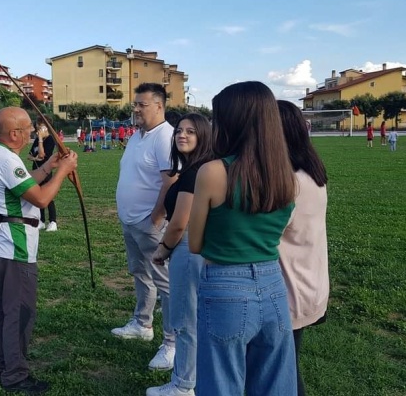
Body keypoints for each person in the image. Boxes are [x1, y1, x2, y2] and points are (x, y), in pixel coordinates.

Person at [188, 81, 297, 396]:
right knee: (275, 384)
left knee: (221, 383)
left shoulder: (213, 172)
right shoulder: (286, 176)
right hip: (274, 285)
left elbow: (195, 244)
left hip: (224, 284)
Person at [0, 107, 78, 394]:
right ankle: (15, 375)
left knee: (0, 310)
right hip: (14, 247)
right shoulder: (7, 160)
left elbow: (24, 183)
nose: (31, 134)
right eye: (27, 130)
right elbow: (42, 198)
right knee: (19, 312)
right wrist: (62, 171)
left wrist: (48, 167)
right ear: (14, 133)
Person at [146, 113, 214, 396]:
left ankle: (183, 385)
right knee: (196, 317)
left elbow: (179, 223)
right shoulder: (198, 169)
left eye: (190, 132)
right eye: (179, 131)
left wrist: (163, 249)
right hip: (200, 248)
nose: (182, 135)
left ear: (203, 137)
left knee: (185, 319)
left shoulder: (193, 173)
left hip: (187, 248)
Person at [113, 82, 177, 371]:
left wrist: (156, 217)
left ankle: (172, 343)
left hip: (149, 223)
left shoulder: (165, 137)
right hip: (131, 220)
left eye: (141, 104)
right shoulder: (138, 136)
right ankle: (142, 323)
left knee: (165, 283)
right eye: (135, 104)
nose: (135, 109)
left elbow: (171, 181)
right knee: (140, 273)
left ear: (159, 106)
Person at [277, 100, 330, 396]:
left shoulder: (289, 183)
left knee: (283, 372)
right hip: (309, 283)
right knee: (286, 365)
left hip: (290, 290)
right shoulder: (312, 173)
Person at [28, 123, 58, 232]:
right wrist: (36, 159)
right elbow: (29, 156)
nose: (38, 130)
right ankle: (41, 221)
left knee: (47, 196)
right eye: (38, 127)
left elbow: (42, 155)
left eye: (41, 127)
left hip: (45, 171)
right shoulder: (36, 140)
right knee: (37, 194)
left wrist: (40, 139)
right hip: (36, 171)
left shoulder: (49, 140)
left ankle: (53, 222)